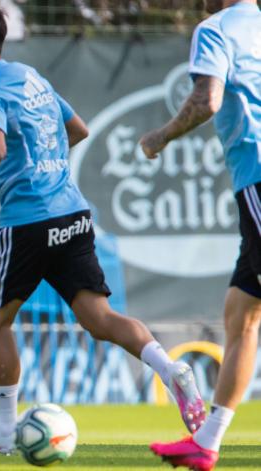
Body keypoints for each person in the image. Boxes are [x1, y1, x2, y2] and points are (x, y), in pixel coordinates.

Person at [0, 1, 206, 455]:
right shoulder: (32, 78)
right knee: (99, 319)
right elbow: (79, 129)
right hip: (73, 213)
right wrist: (46, 170)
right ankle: (170, 369)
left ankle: (4, 429)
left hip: (27, 223)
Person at [139, 1, 260, 469]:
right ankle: (207, 441)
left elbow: (206, 100)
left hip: (258, 172)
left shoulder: (217, 29)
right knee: (241, 311)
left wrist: (161, 137)